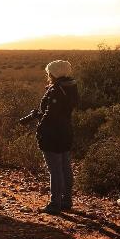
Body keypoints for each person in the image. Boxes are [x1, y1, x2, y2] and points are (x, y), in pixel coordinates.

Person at [25, 60, 79, 214]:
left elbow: (51, 114)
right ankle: (66, 200)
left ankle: (55, 203)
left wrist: (41, 125)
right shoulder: (70, 87)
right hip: (66, 131)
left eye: (49, 72)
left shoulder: (56, 90)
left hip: (52, 134)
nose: (47, 75)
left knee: (55, 170)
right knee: (65, 168)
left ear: (54, 73)